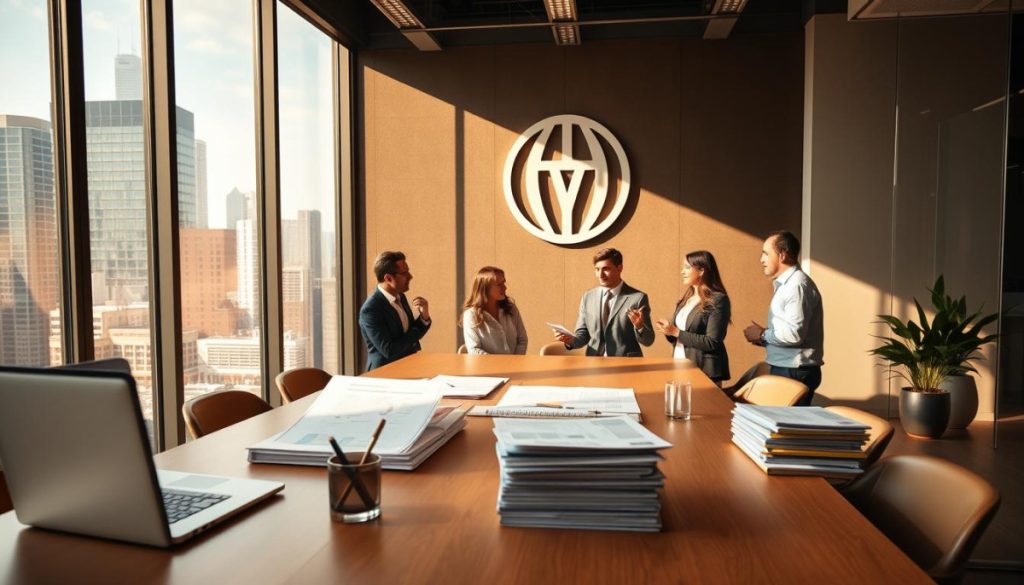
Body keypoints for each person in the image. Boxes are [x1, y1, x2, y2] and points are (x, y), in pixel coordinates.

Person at [743, 231, 824, 406]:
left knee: (788, 429)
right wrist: (764, 338)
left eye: (765, 253)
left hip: (794, 370)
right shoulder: (789, 284)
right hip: (789, 368)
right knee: (783, 428)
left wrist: (763, 334)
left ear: (782, 255)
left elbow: (794, 335)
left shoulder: (796, 286)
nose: (761, 260)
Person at [554, 248, 654, 357]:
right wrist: (569, 340)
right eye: (597, 269)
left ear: (619, 268)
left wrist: (640, 327)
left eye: (606, 269)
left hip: (626, 364)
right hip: (593, 364)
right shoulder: (588, 297)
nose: (600, 274)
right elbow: (582, 337)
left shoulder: (637, 298)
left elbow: (648, 340)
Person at [654, 250, 731, 386]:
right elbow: (680, 337)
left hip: (704, 370)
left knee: (701, 408)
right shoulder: (685, 299)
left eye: (687, 267)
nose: (682, 272)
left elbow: (712, 342)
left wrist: (675, 332)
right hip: (679, 364)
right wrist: (669, 331)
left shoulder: (718, 300)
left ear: (701, 270)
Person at [358, 251, 431, 370]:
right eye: (404, 273)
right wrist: (415, 331)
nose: (410, 276)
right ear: (388, 278)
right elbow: (389, 350)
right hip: (384, 375)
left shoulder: (401, 296)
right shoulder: (370, 310)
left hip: (409, 367)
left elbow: (408, 333)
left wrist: (424, 317)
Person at [461, 266, 528, 355]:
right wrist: (499, 364)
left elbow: (522, 340)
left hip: (516, 367)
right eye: (499, 284)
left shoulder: (511, 309)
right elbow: (474, 349)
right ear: (485, 288)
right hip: (486, 368)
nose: (504, 288)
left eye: (504, 283)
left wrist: (514, 362)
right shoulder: (471, 315)